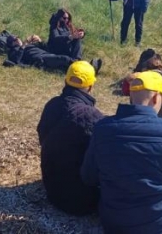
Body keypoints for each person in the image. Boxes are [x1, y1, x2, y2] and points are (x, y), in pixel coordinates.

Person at [81, 71, 162, 234]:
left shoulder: (102, 129)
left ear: (131, 97)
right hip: (158, 224)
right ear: (156, 98)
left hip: (114, 222)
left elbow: (88, 177)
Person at [37, 61, 104, 215]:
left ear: (66, 80)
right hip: (82, 200)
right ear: (90, 87)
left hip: (52, 188)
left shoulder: (52, 105)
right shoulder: (92, 116)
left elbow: (42, 137)